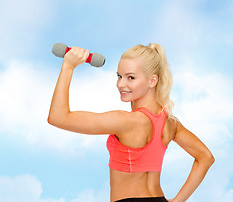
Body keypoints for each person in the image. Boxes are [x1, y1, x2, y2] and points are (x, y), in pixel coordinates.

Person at [48, 43, 215, 202]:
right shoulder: (170, 122)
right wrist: (178, 200)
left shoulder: (127, 121)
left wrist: (68, 67)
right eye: (119, 76)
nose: (121, 84)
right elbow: (205, 157)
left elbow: (58, 117)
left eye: (131, 78)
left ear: (152, 81)